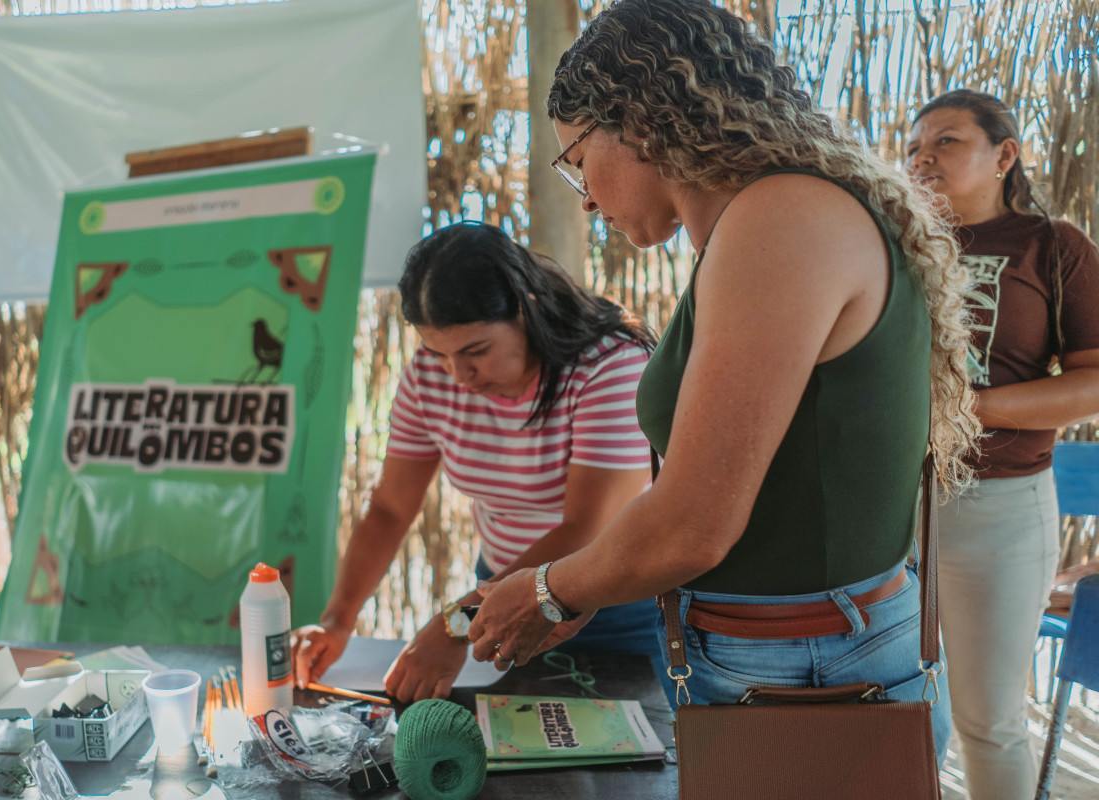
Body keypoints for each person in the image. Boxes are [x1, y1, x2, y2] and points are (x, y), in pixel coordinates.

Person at [467, 0, 981, 765]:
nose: (585, 198)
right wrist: (594, 579)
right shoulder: (772, 218)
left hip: (808, 674)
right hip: (796, 663)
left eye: (576, 160)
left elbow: (696, 522)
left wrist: (552, 590)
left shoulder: (781, 221)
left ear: (635, 120)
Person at [292, 221, 663, 703]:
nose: (459, 376)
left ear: (527, 308)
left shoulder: (610, 365)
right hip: (498, 599)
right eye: (438, 353)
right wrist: (337, 621)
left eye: (477, 351)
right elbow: (389, 508)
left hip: (615, 606)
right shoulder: (432, 375)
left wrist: (455, 626)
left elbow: (585, 530)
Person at [906, 89, 1099, 799]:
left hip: (1000, 506)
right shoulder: (892, 246)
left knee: (989, 721)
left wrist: (967, 409)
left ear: (1004, 155)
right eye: (916, 146)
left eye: (947, 141)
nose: (924, 156)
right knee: (895, 708)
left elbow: (1093, 382)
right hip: (891, 508)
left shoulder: (1051, 247)